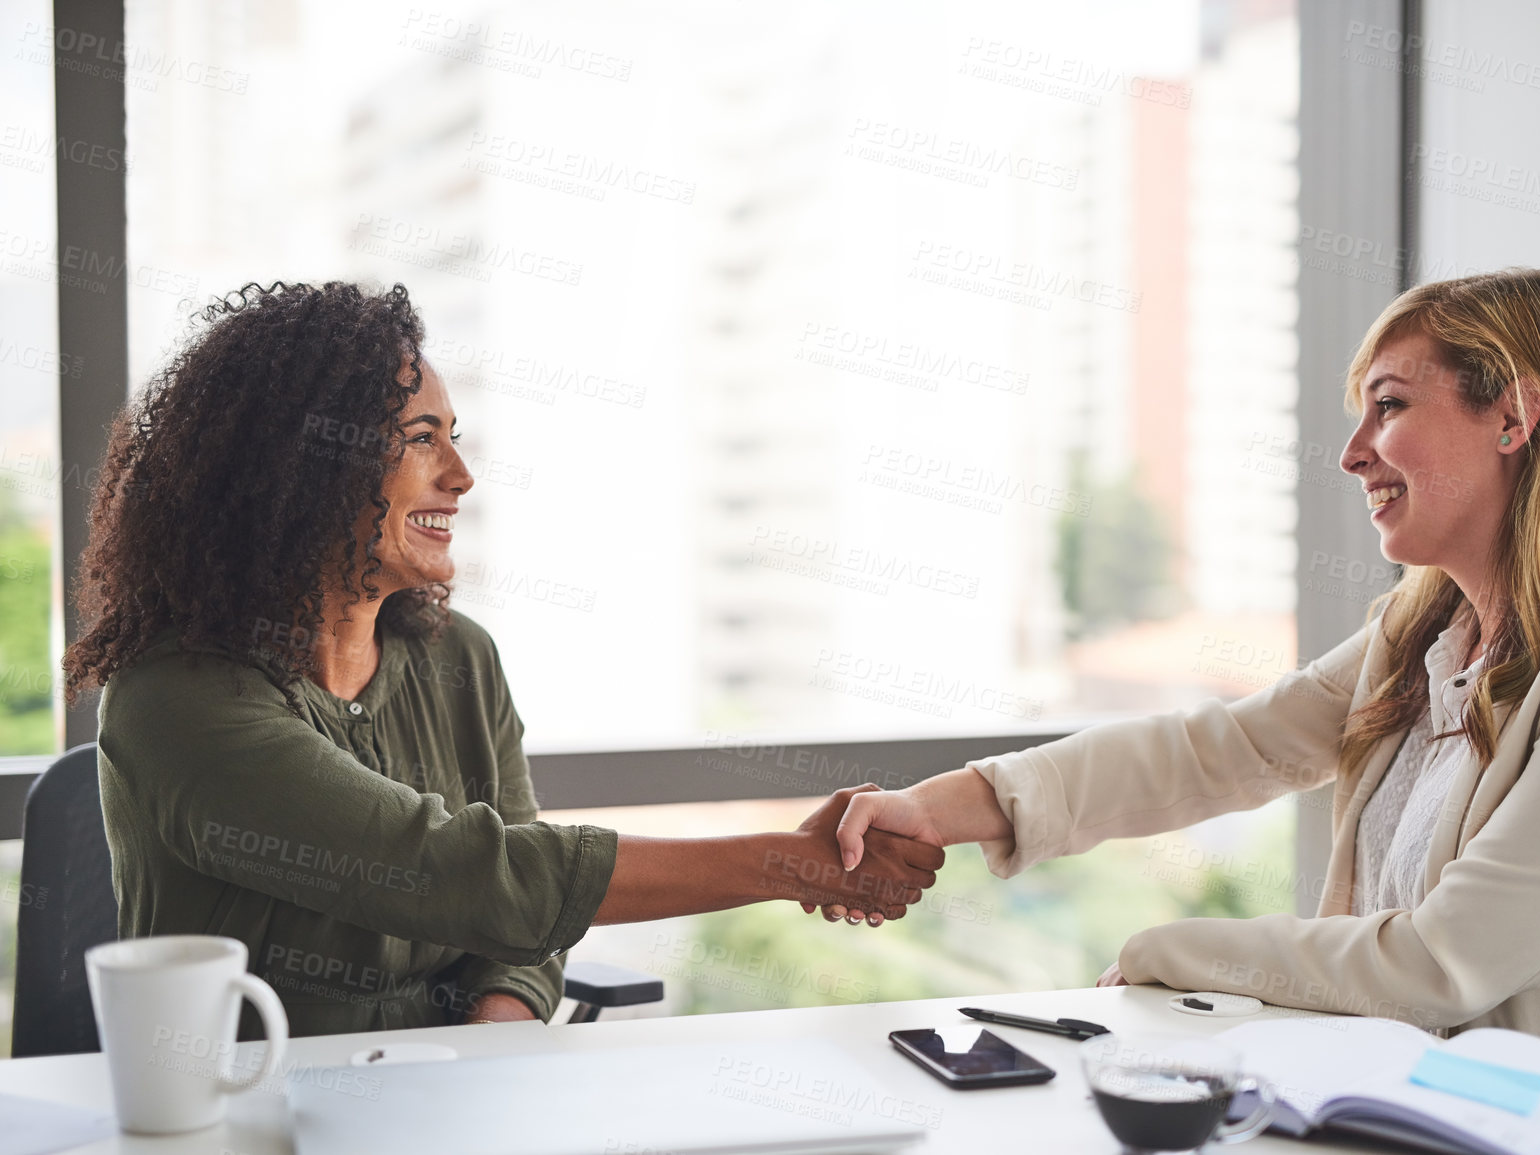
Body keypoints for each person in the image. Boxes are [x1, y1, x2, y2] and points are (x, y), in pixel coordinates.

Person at [829, 268, 1540, 1126]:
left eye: (1389, 405)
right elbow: (1218, 750)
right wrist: (932, 809)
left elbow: (1445, 962)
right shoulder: (1420, 633)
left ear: (1513, 416)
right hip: (1413, 1111)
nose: (1351, 454)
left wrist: (1164, 948)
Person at [65, 281, 941, 1038]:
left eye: (453, 434)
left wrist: (497, 1029)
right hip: (249, 1113)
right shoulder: (175, 698)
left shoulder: (460, 659)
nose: (460, 474)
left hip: (458, 1101)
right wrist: (783, 862)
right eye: (420, 437)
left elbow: (524, 926)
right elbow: (458, 871)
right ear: (298, 465)